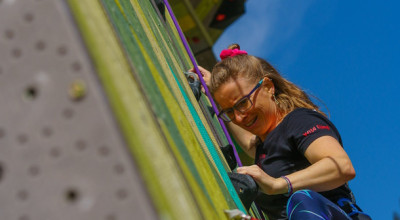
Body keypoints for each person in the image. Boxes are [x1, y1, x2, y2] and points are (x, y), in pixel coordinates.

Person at [193, 44, 371, 220]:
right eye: (230, 111)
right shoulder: (265, 145)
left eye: (243, 103)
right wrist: (212, 91)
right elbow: (248, 143)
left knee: (301, 200)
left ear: (268, 87)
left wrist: (278, 184)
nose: (239, 118)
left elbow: (341, 166)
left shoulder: (299, 121)